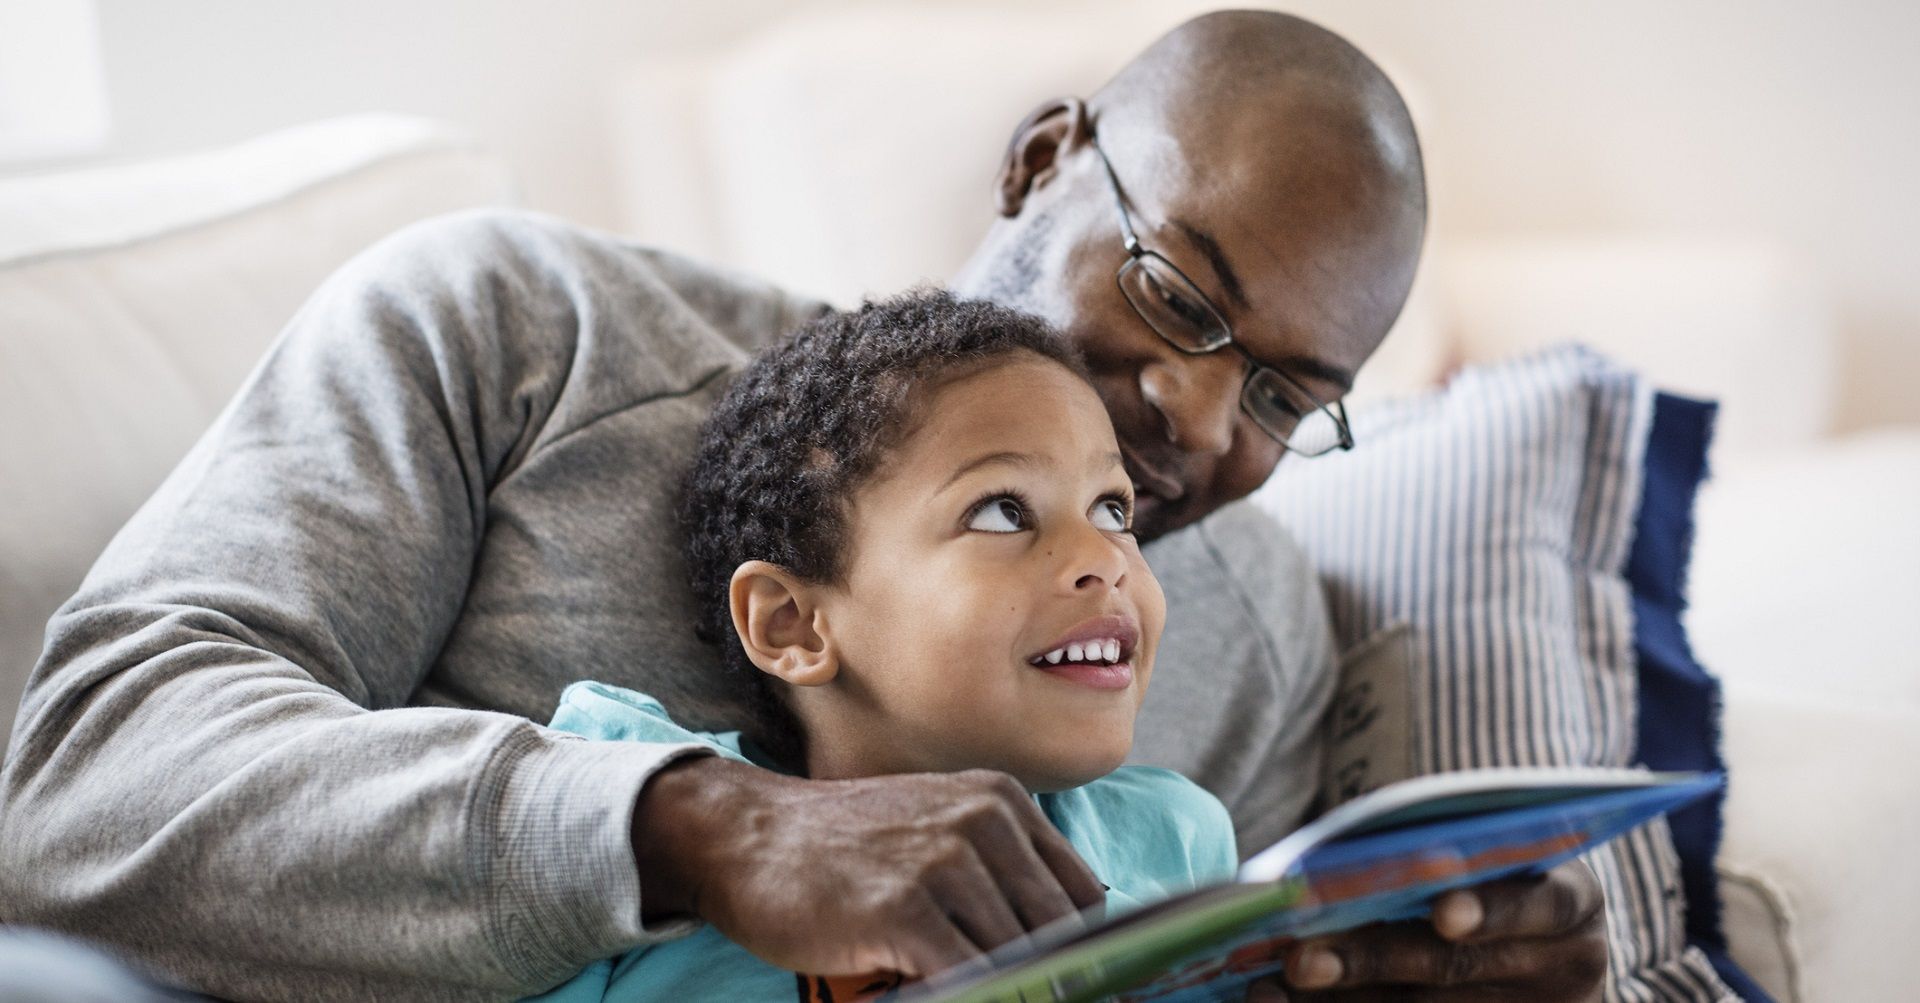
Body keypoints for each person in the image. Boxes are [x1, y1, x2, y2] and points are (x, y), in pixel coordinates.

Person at [0, 11, 1641, 1003]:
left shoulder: (1254, 622)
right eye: (1173, 289)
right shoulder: (526, 325)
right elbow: (81, 779)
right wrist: (698, 827)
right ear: (1044, 159)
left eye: (1288, 396)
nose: (1195, 419)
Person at [533, 289, 1239, 1001]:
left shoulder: (1176, 841)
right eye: (1002, 511)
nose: (1106, 556)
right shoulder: (632, 809)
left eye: (1112, 509)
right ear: (792, 624)